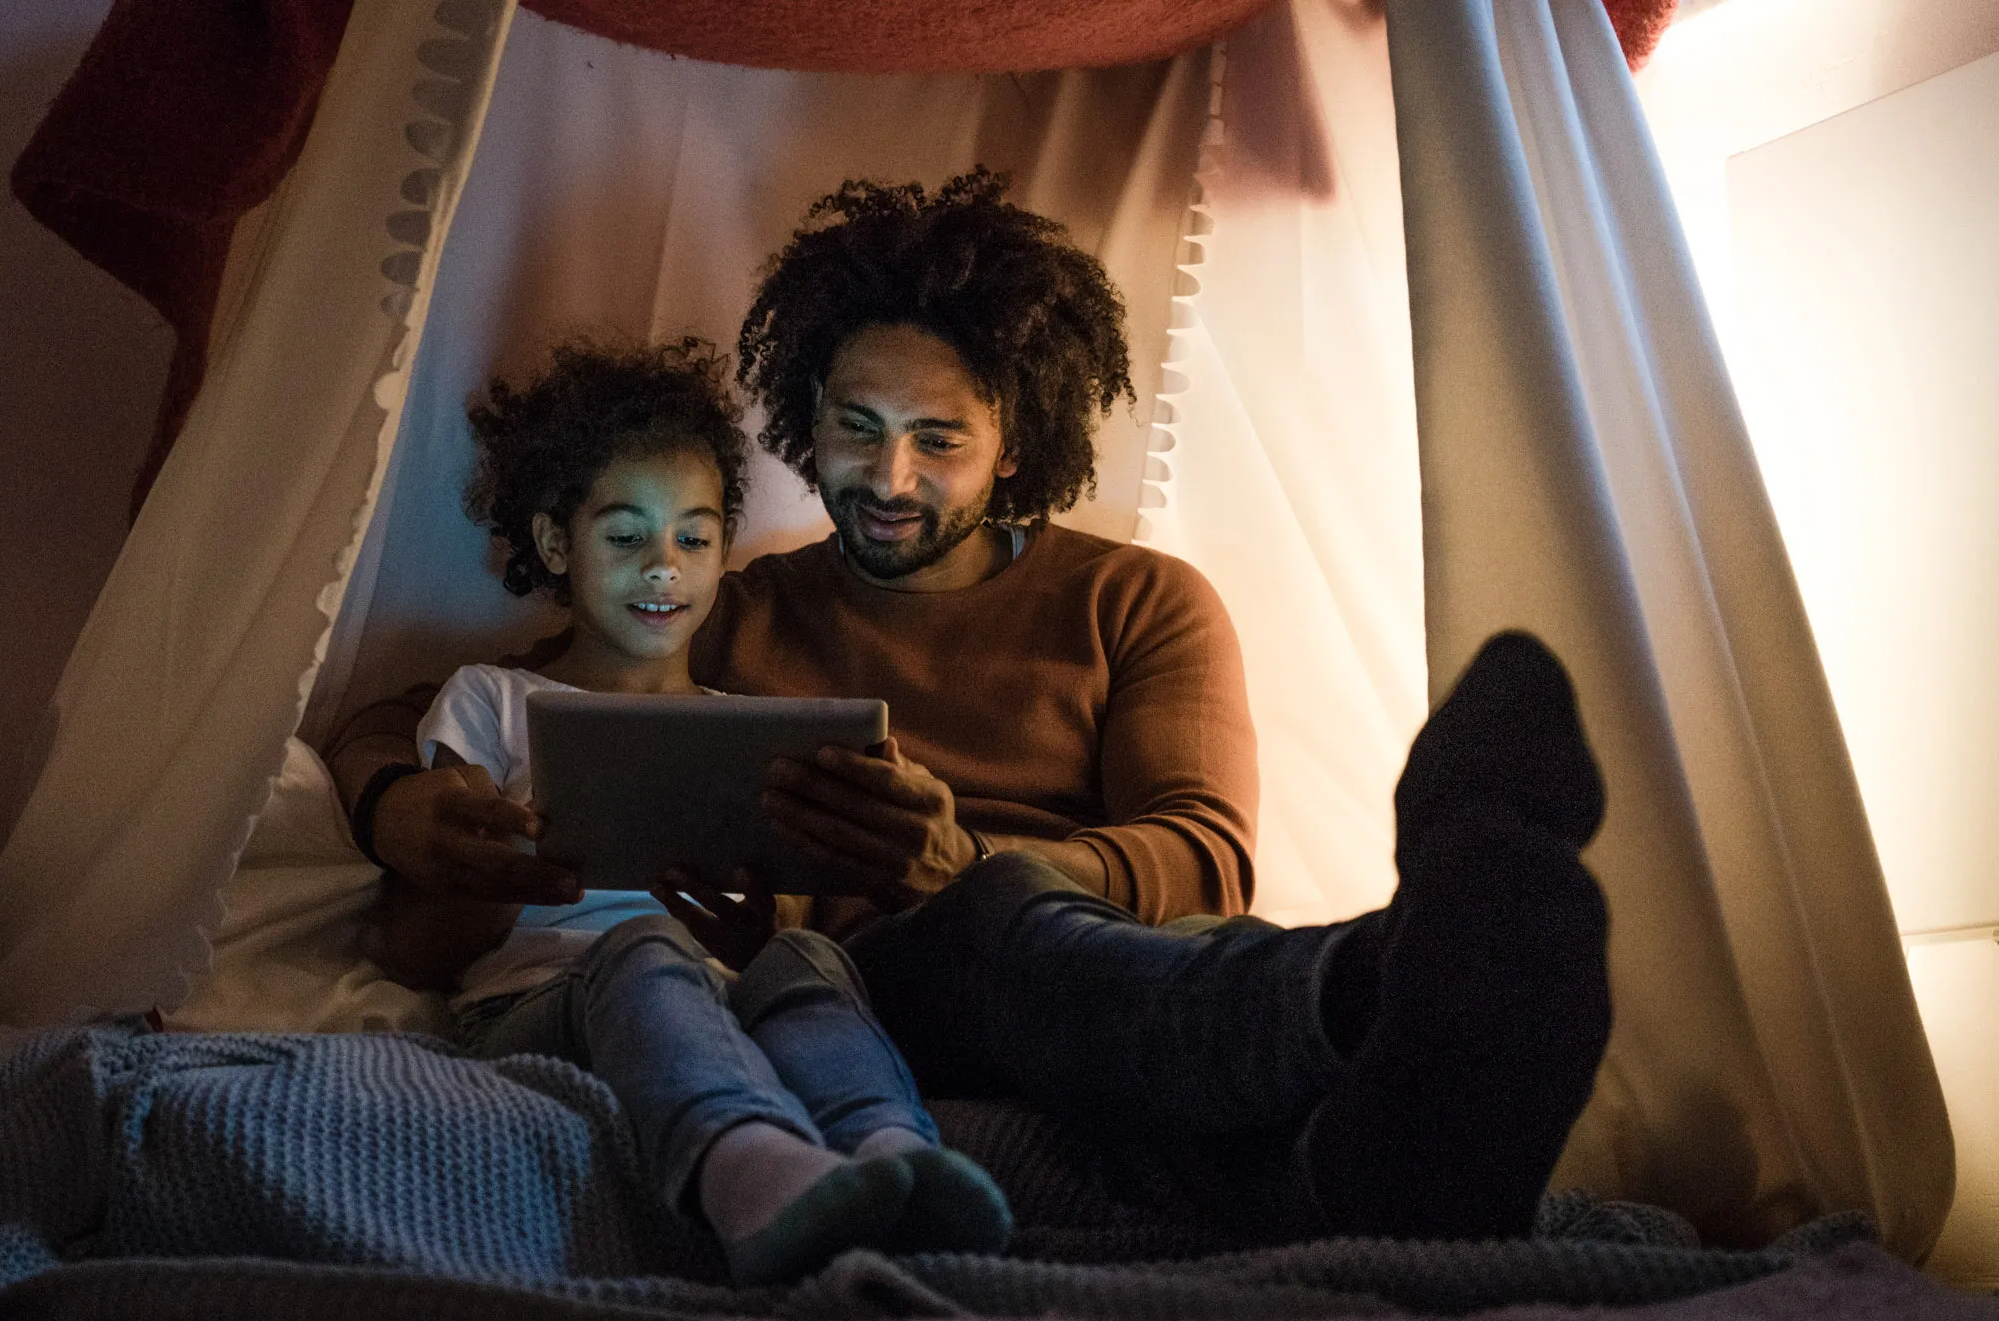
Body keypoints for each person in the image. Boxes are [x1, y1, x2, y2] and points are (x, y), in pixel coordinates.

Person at [330, 172, 1611, 1247]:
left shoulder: (1137, 602)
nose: (886, 478)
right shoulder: (727, 603)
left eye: (938, 440)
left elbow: (1203, 855)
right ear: (807, 422)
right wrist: (404, 810)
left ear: (1017, 441)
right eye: (853, 429)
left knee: (1030, 958)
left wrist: (967, 861)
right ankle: (1388, 980)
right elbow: (438, 711)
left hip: (1077, 971)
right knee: (983, 938)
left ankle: (1386, 1128)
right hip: (855, 998)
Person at [378, 339, 1011, 1285]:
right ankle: (747, 1173)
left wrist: (762, 930)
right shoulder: (490, 701)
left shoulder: (738, 732)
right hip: (534, 1004)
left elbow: (765, 935)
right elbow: (413, 947)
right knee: (641, 946)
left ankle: (888, 1151)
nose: (664, 568)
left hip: (713, 996)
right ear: (557, 543)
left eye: (695, 538)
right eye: (627, 538)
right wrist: (506, 869)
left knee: (811, 957)